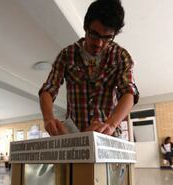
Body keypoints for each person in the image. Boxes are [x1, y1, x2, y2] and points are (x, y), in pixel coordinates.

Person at [39, 0, 139, 136]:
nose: (99, 43)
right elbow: (48, 89)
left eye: (107, 38)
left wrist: (111, 124)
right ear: (86, 27)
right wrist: (48, 119)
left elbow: (129, 92)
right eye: (94, 34)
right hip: (75, 135)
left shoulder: (121, 56)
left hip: (109, 134)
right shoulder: (67, 54)